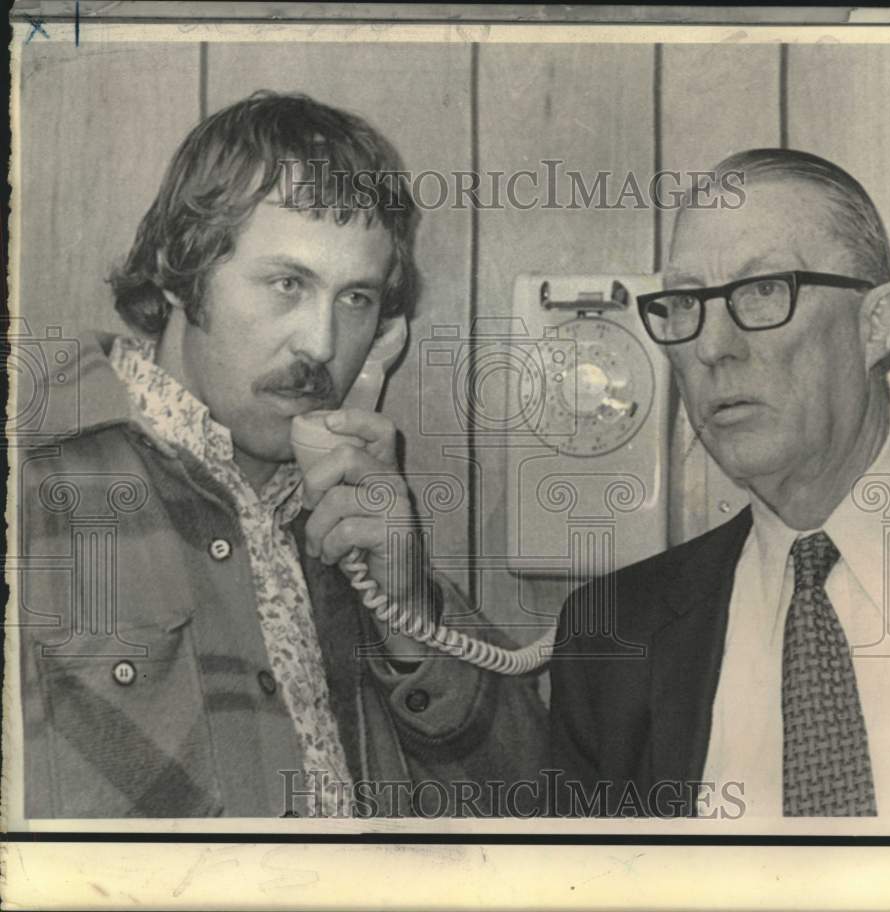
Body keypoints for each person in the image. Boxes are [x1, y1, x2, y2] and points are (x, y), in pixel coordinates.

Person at [16, 91, 546, 818]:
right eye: (287, 284)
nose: (321, 346)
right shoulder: (35, 484)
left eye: (356, 299)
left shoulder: (346, 522)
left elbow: (533, 809)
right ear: (180, 268)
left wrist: (408, 608)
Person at [549, 149, 890, 818]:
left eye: (763, 291)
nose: (711, 347)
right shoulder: (610, 635)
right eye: (686, 302)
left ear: (876, 326)